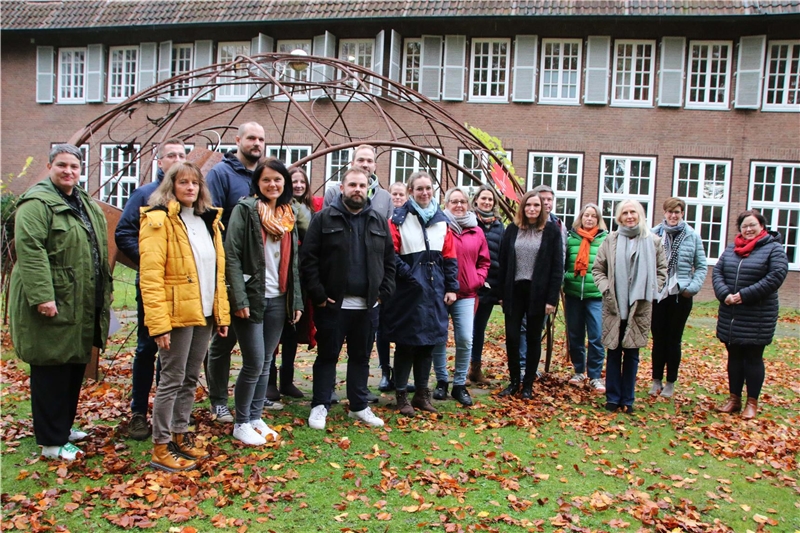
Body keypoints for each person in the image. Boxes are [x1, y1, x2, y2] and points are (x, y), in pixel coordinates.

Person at [10, 144, 112, 461]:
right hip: (54, 298)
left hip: (79, 299)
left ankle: (62, 428)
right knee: (51, 369)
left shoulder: (82, 202)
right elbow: (30, 250)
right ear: (49, 166)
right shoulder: (37, 203)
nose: (69, 171)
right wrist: (43, 296)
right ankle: (51, 442)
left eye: (74, 167)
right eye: (62, 165)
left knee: (72, 366)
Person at [139, 161, 230, 471]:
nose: (190, 188)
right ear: (171, 187)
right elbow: (150, 278)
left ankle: (180, 434)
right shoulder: (158, 221)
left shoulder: (209, 221)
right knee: (171, 379)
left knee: (190, 378)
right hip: (177, 315)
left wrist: (221, 313)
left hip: (203, 313)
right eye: (183, 183)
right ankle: (160, 447)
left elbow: (217, 273)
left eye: (195, 183)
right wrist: (159, 325)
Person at [301, 168, 396, 430]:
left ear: (368, 189)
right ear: (342, 188)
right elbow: (308, 259)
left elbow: (390, 261)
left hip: (367, 306)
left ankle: (359, 405)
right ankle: (320, 404)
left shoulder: (378, 221)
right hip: (333, 305)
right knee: (327, 355)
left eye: (362, 185)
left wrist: (383, 294)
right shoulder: (323, 219)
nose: (357, 189)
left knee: (361, 357)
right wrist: (319, 295)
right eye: (352, 184)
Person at [224, 158, 304, 445]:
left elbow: (292, 262)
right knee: (254, 362)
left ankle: (256, 416)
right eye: (266, 179)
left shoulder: (287, 215)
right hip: (252, 297)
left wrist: (295, 300)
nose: (272, 184)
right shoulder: (245, 210)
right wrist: (239, 297)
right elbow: (231, 254)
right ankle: (241, 421)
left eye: (277, 180)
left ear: (285, 183)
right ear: (257, 183)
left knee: (267, 360)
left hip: (278, 298)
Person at [115, 138, 187, 441]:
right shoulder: (145, 195)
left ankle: (166, 413)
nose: (177, 158)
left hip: (183, 292)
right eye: (171, 155)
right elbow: (123, 233)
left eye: (182, 154)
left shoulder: (189, 197)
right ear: (160, 162)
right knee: (147, 348)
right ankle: (138, 413)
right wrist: (151, 262)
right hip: (153, 287)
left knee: (174, 354)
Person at [205, 122, 278, 422]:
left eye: (261, 139)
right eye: (251, 138)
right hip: (230, 273)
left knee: (256, 349)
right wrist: (227, 273)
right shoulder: (221, 174)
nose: (256, 143)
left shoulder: (264, 176)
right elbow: (212, 221)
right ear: (237, 140)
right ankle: (219, 399)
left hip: (262, 279)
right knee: (224, 339)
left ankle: (252, 402)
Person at [383, 172, 458, 416]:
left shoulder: (441, 220)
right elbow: (391, 254)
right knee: (406, 344)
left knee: (428, 345)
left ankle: (422, 395)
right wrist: (409, 275)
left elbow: (449, 257)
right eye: (419, 189)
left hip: (435, 290)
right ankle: (402, 395)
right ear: (411, 191)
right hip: (408, 291)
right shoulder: (398, 219)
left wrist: (451, 287)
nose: (424, 193)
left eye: (428, 188)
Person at [593, 200, 666, 414]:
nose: (629, 216)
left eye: (633, 212)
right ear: (619, 217)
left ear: (640, 214)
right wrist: (606, 289)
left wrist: (653, 290)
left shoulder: (653, 241)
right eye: (625, 212)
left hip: (640, 305)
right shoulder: (611, 240)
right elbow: (598, 268)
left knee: (632, 353)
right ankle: (613, 398)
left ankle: (628, 398)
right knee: (614, 351)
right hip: (615, 304)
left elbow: (662, 271)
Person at [713, 210, 788, 420]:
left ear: (761, 226)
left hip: (758, 315)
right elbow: (718, 272)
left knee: (753, 358)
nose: (748, 229)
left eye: (752, 225)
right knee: (734, 357)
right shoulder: (731, 249)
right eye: (745, 226)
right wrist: (725, 294)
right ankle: (734, 399)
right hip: (731, 314)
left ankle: (752, 402)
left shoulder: (774, 249)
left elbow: (775, 277)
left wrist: (743, 296)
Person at [497, 191, 564, 399]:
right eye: (528, 205)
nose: (532, 209)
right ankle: (514, 381)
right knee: (512, 337)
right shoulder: (512, 229)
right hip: (514, 290)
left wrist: (551, 299)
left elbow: (556, 267)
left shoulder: (551, 231)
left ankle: (528, 384)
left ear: (542, 208)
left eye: (536, 205)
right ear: (523, 208)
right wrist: (501, 293)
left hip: (538, 293)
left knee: (534, 338)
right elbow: (503, 263)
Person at [431, 187, 490, 406]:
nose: (458, 205)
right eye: (454, 201)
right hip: (440, 293)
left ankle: (459, 384)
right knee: (439, 338)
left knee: (465, 339)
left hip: (466, 293)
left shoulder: (477, 230)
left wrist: (477, 278)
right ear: (445, 204)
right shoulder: (439, 226)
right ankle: (441, 381)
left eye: (462, 201)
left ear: (468, 204)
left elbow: (484, 261)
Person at [649, 197, 708, 398]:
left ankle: (670, 381)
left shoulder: (691, 236)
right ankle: (655, 379)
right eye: (670, 212)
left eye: (677, 212)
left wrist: (691, 288)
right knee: (658, 338)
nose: (673, 216)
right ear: (664, 213)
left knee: (674, 340)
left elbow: (701, 265)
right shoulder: (654, 233)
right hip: (658, 294)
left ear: (682, 213)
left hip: (680, 295)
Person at [266, 165, 316, 401]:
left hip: (299, 278)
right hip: (276, 275)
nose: (297, 185)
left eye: (301, 181)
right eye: (293, 181)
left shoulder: (306, 210)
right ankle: (270, 382)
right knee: (272, 333)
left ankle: (287, 380)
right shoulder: (272, 209)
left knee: (292, 330)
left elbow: (312, 239)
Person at [563, 203, 608, 393]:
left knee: (596, 335)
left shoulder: (605, 240)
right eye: (586, 215)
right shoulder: (571, 239)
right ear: (580, 218)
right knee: (575, 335)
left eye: (593, 216)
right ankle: (579, 370)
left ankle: (595, 375)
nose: (589, 219)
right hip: (573, 294)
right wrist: (567, 277)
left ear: (598, 220)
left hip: (595, 296)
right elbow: (563, 264)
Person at [469, 185, 504, 385]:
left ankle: (475, 368)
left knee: (479, 329)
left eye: (490, 199)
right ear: (476, 201)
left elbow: (503, 257)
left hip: (490, 285)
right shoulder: (470, 223)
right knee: (465, 329)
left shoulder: (500, 227)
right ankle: (461, 367)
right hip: (471, 285)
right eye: (484, 199)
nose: (487, 202)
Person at [376, 181, 410, 392]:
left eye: (401, 194)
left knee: (403, 328)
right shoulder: (384, 221)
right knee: (383, 329)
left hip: (405, 283)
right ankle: (385, 371)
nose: (397, 198)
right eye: (394, 194)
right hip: (387, 280)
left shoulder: (410, 221)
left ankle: (400, 373)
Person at [322, 145, 393, 219]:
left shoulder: (385, 197)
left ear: (375, 166)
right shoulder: (333, 192)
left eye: (369, 161)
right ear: (352, 164)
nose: (365, 165)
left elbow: (390, 229)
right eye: (361, 160)